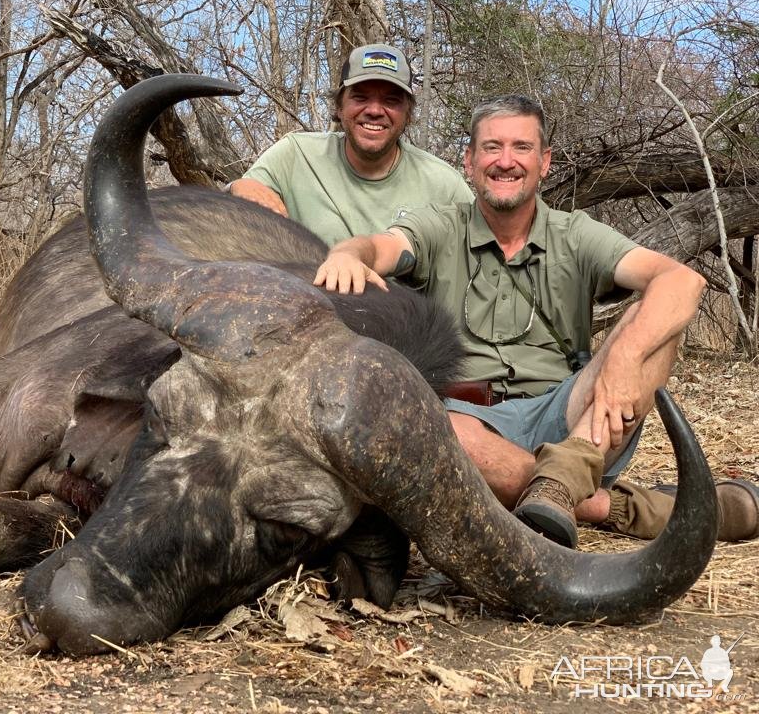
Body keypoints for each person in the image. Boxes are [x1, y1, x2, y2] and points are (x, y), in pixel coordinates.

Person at [311, 94, 759, 548]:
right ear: (469, 161)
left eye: (521, 148)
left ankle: (562, 481)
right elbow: (381, 246)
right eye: (491, 148)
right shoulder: (439, 226)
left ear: (543, 162)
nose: (506, 162)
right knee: (434, 430)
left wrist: (622, 358)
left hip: (575, 422)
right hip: (469, 421)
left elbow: (681, 281)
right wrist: (350, 254)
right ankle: (617, 505)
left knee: (656, 328)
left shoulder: (576, 232)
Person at [230, 43, 472, 246]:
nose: (375, 111)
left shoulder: (445, 186)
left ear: (408, 114)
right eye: (360, 97)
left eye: (391, 100)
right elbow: (233, 209)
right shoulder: (295, 154)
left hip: (405, 304)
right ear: (339, 106)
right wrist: (240, 187)